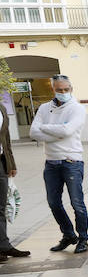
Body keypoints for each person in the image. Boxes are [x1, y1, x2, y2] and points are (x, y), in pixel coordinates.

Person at [29, 75, 88, 253]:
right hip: (51, 163)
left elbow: (68, 130)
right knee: (53, 203)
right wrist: (59, 131)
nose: (63, 93)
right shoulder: (44, 108)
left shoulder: (77, 108)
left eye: (66, 89)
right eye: (59, 90)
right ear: (53, 89)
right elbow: (33, 132)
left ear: (71, 89)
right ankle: (69, 235)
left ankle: (83, 239)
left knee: (77, 203)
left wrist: (45, 127)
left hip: (72, 161)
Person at [0, 98, 31, 262]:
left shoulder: (1, 108)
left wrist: (10, 162)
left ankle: (3, 246)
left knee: (1, 205)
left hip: (1, 161)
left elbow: (6, 137)